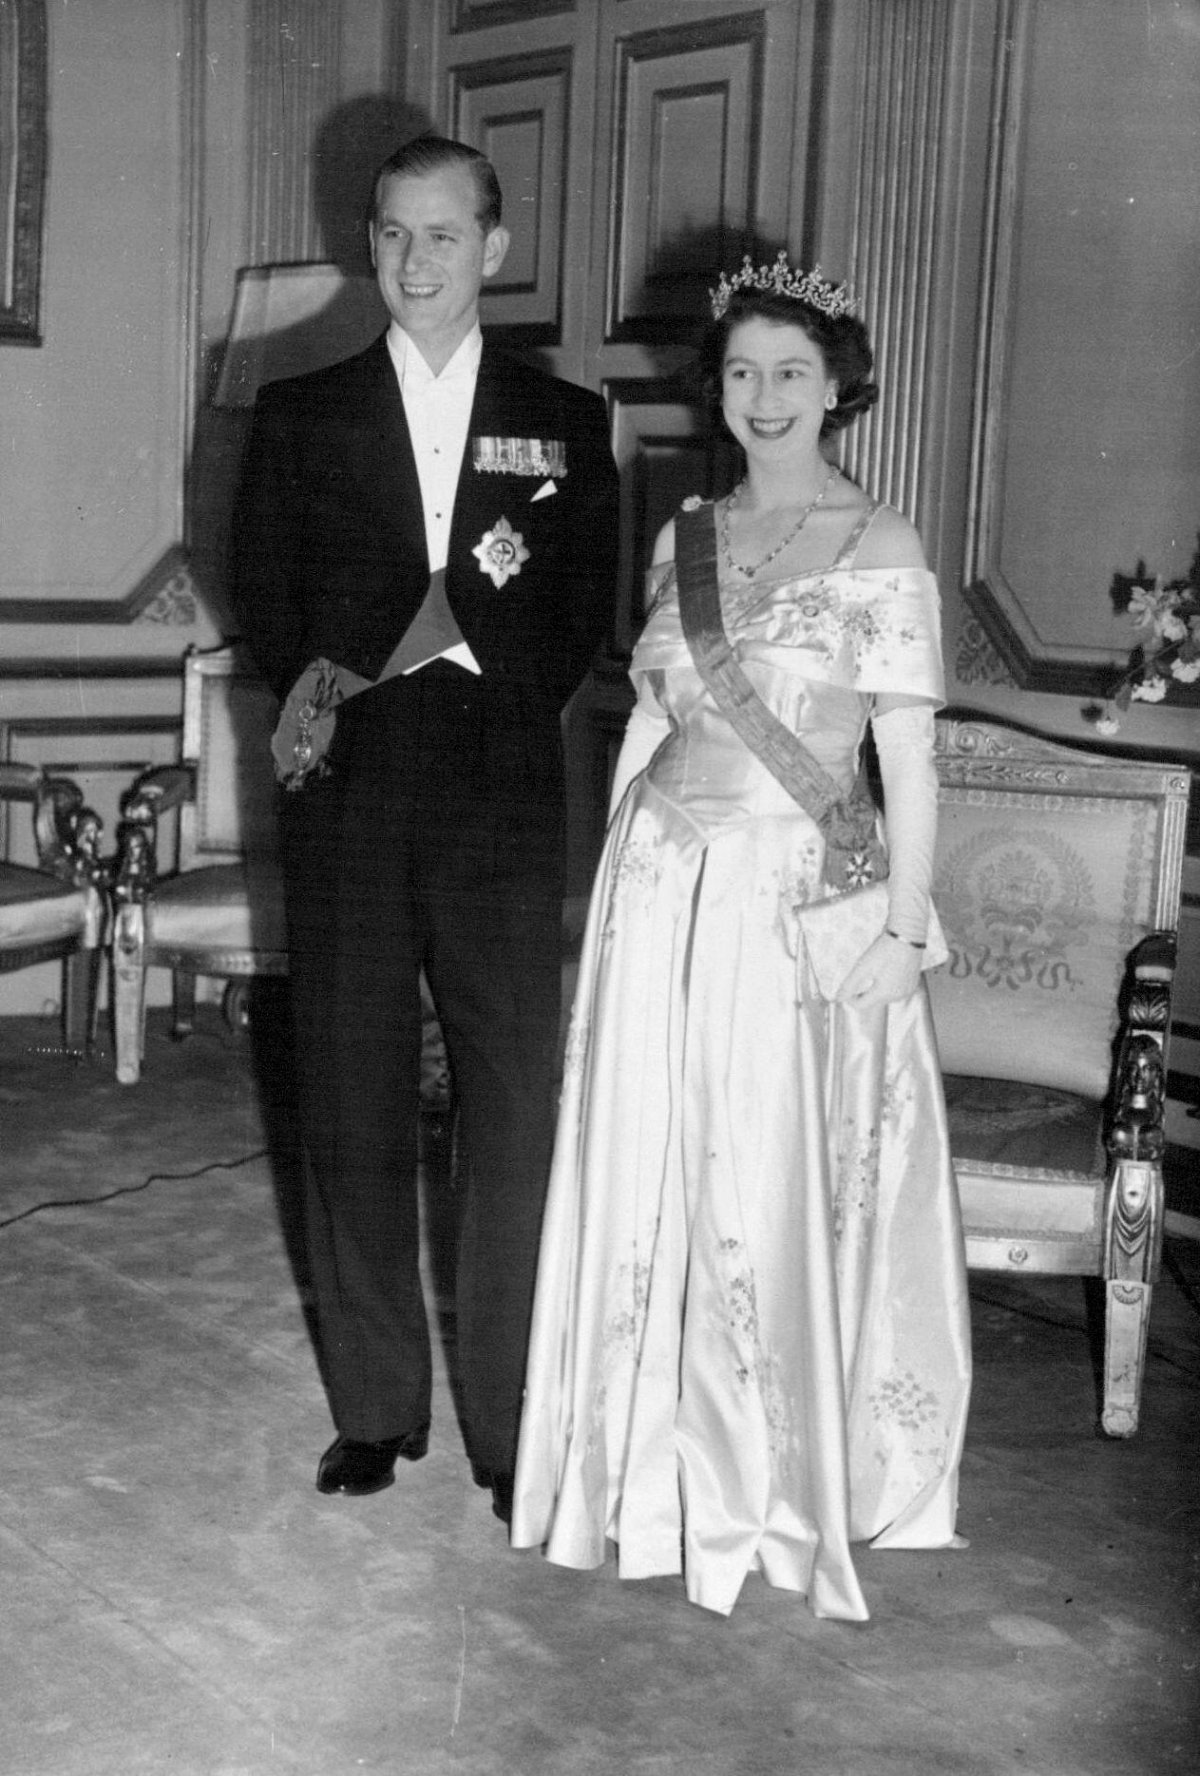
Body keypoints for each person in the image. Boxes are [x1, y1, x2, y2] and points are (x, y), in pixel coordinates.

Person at [510, 254, 971, 1619]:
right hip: (660, 890)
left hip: (788, 900)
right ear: (716, 389)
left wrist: (898, 931)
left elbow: (910, 757)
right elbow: (653, 718)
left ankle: (764, 1481)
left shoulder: (881, 543)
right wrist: (614, 869)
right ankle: (641, 1467)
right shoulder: (683, 537)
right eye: (741, 372)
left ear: (839, 387)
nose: (763, 396)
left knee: (762, 1178)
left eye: (792, 372)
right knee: (649, 1169)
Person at [231, 135, 619, 1517]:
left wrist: (488, 692)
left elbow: (583, 613)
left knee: (513, 1110)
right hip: (351, 785)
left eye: (442, 235)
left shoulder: (566, 419)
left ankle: (513, 1427)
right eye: (392, 234)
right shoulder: (302, 407)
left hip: (502, 792)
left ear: (494, 248)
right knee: (349, 1090)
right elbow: (265, 599)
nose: (414, 261)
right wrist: (349, 687)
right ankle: (376, 1408)